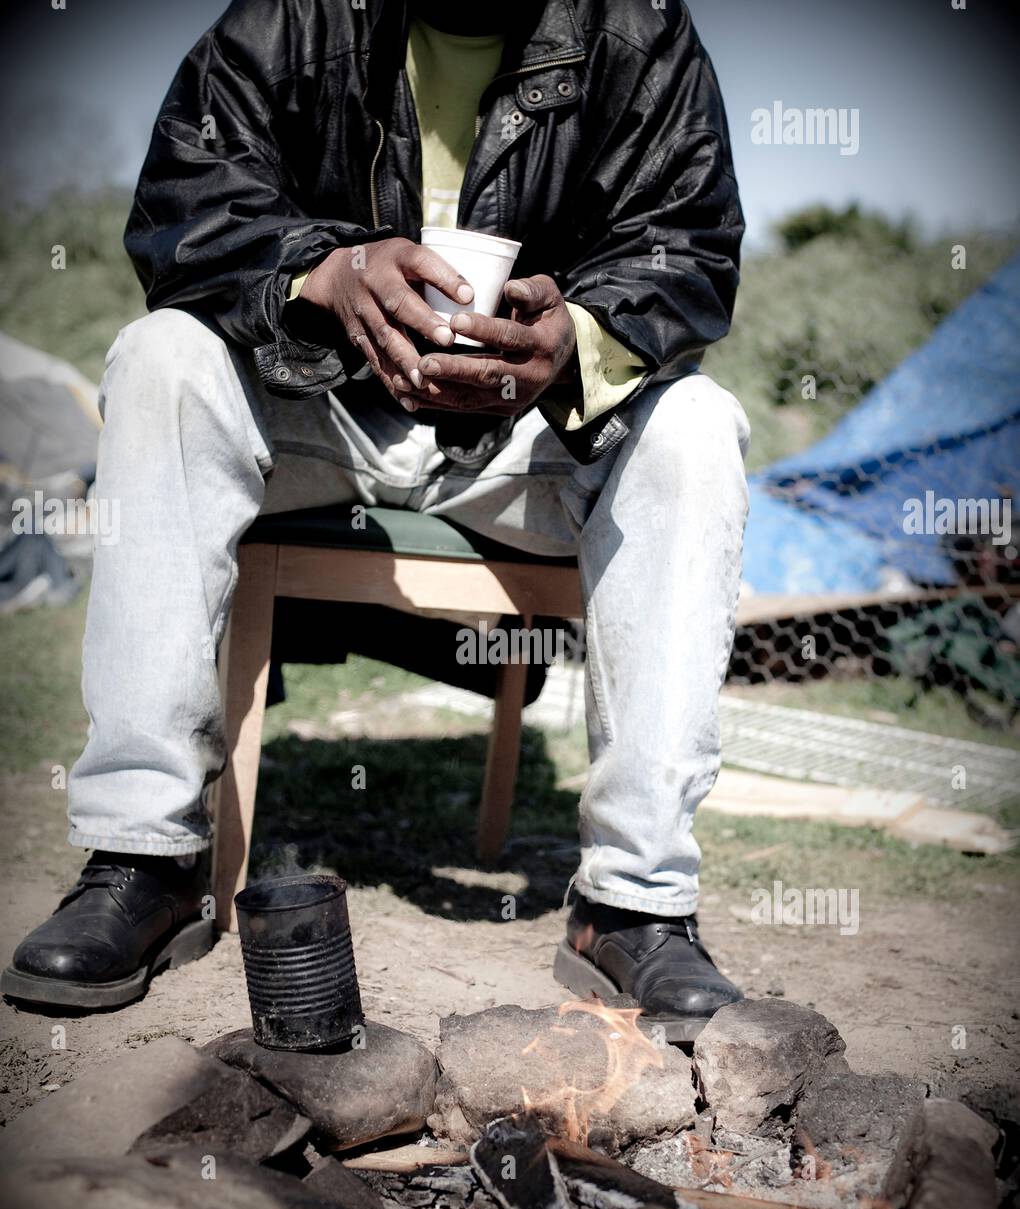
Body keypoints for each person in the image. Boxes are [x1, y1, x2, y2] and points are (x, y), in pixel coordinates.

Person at [2, 0, 751, 1040]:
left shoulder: (639, 30)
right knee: (159, 356)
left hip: (524, 442)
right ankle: (145, 858)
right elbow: (182, 195)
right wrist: (326, 272)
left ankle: (634, 905)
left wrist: (571, 341)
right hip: (315, 409)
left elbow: (690, 247)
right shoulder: (297, 13)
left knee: (699, 425)